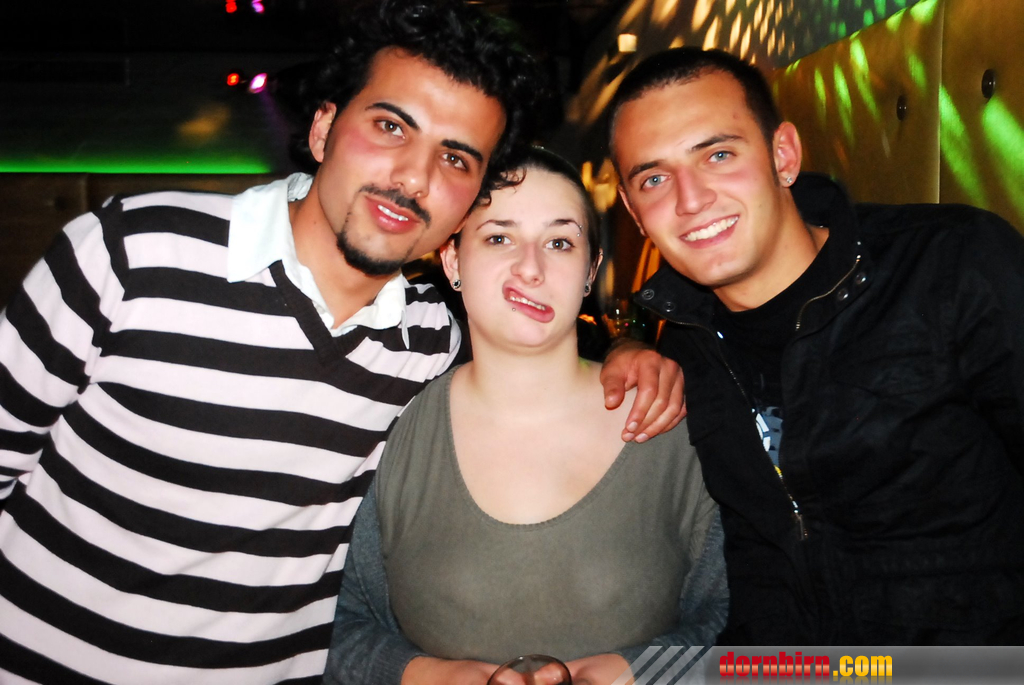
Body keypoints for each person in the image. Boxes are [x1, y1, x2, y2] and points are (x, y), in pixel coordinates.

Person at [0, 3, 685, 683]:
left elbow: (531, 345)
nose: (413, 178)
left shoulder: (426, 341)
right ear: (324, 127)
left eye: (455, 158)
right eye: (391, 127)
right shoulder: (134, 253)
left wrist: (628, 349)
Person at [608, 46, 1024, 645]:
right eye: (654, 178)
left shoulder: (952, 266)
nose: (690, 199)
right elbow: (756, 572)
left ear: (783, 155)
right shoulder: (688, 344)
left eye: (718, 155)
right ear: (632, 209)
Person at [322, 147, 728, 685]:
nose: (531, 269)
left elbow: (744, 627)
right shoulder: (388, 429)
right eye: (499, 238)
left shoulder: (669, 421)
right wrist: (431, 676)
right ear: (452, 260)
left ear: (590, 270)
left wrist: (637, 672)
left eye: (560, 242)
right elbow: (332, 625)